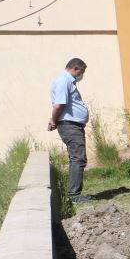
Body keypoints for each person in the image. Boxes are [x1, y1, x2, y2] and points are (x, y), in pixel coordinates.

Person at [48, 58, 92, 204]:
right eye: (82, 72)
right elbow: (59, 104)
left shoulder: (67, 81)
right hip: (69, 125)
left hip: (73, 125)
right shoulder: (63, 80)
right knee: (77, 158)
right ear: (75, 68)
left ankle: (74, 194)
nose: (82, 75)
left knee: (78, 158)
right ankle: (74, 195)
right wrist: (53, 120)